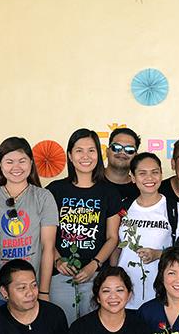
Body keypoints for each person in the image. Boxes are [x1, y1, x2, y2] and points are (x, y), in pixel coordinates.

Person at [0, 136, 59, 306]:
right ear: (0, 165)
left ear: (31, 163)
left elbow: (47, 248)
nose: (16, 167)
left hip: (30, 291)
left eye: (22, 161)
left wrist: (43, 292)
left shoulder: (43, 197)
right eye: (9, 162)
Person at [48, 129, 123, 322]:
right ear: (70, 155)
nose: (85, 156)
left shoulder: (109, 192)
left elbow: (112, 237)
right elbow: (46, 235)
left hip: (95, 276)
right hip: (60, 275)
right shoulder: (55, 190)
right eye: (79, 150)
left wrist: (94, 265)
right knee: (62, 326)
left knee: (92, 329)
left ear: (98, 154)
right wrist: (58, 260)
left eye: (91, 150)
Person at [115, 152, 179, 308]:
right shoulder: (123, 208)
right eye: (142, 173)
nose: (149, 178)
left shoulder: (174, 209)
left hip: (161, 295)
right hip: (124, 297)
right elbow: (114, 245)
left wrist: (158, 254)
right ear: (133, 177)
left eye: (155, 172)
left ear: (161, 175)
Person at [103, 127, 142, 204]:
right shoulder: (89, 181)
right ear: (107, 152)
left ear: (136, 156)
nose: (122, 152)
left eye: (129, 150)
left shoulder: (141, 189)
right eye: (116, 147)